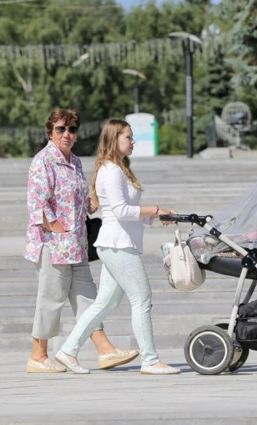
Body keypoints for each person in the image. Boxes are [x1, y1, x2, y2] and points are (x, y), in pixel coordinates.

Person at [54, 119, 181, 375]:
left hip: (119, 243)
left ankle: (68, 350)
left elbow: (125, 211)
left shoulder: (119, 168)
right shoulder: (111, 171)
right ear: (114, 139)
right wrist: (155, 209)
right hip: (117, 245)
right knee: (141, 299)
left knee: (105, 304)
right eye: (128, 137)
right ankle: (150, 360)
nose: (133, 142)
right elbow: (121, 211)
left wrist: (155, 217)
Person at [24, 109, 138, 373]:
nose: (67, 134)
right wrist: (59, 231)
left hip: (78, 244)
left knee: (88, 297)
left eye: (72, 129)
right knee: (51, 300)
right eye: (61, 129)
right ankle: (38, 356)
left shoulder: (74, 161)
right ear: (50, 132)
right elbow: (38, 205)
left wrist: (93, 201)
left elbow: (82, 199)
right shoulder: (43, 161)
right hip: (52, 244)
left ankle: (105, 350)